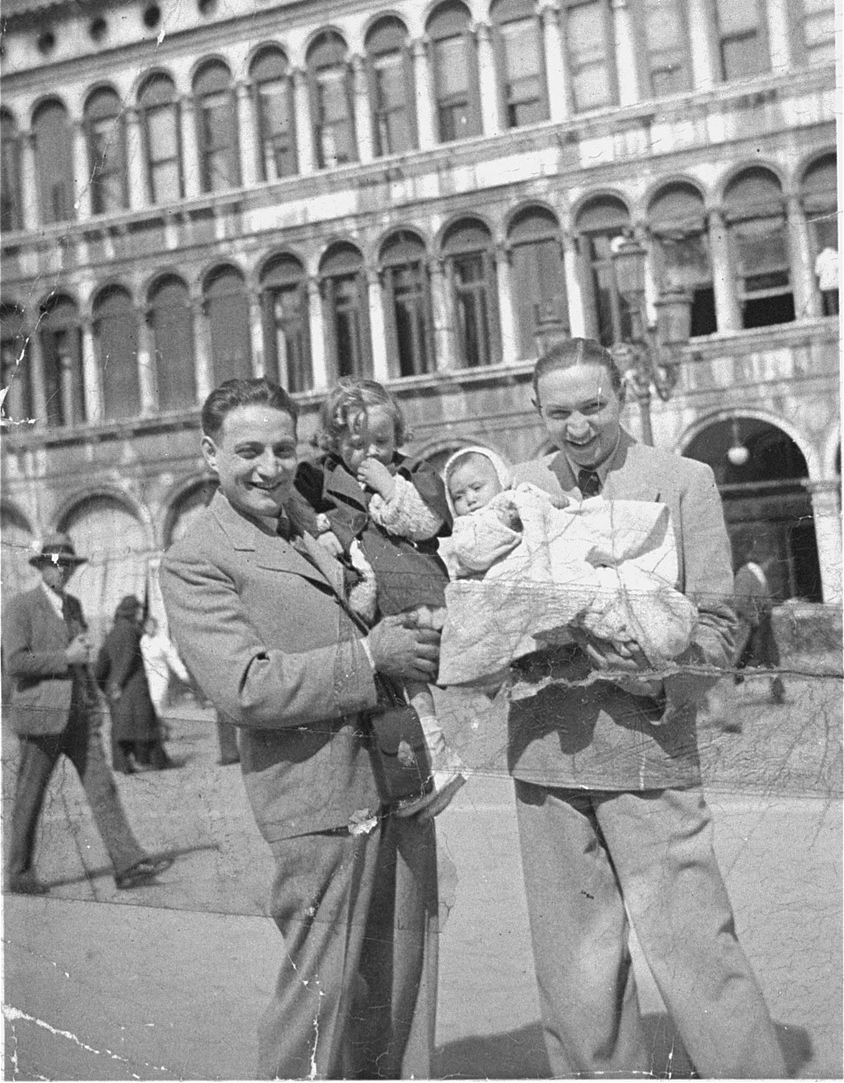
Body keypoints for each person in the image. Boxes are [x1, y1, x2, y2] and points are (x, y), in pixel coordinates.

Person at [504, 338, 786, 1079]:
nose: (578, 427)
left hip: (649, 748)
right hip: (545, 754)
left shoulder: (683, 479)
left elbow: (721, 620)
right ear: (537, 411)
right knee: (575, 969)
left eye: (593, 406)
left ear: (623, 396)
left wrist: (662, 683)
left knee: (697, 950)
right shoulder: (518, 486)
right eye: (558, 412)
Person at [160, 377, 441, 1080]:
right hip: (316, 801)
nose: (270, 466)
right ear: (210, 453)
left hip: (393, 778)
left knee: (400, 988)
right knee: (322, 997)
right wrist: (372, 655)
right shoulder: (198, 558)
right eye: (249, 450)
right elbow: (244, 687)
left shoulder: (308, 526)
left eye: (283, 449)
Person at [294, 376, 464, 816]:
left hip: (408, 586)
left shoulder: (413, 472)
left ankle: (437, 758)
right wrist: (321, 530)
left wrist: (390, 487)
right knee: (387, 689)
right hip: (365, 594)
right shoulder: (315, 477)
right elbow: (292, 505)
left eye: (381, 441)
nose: (369, 452)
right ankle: (417, 778)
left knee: (411, 681)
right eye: (355, 443)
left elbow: (428, 524)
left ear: (398, 437)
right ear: (333, 441)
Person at [437, 446, 697, 689]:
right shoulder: (467, 526)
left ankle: (652, 624)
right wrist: (503, 525)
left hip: (563, 567)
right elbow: (474, 552)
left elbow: (557, 514)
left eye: (477, 487)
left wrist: (555, 505)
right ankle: (624, 634)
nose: (470, 499)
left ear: (500, 479)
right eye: (458, 496)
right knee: (583, 614)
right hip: (518, 584)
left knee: (607, 588)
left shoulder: (523, 493)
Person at [4, 535, 173, 895]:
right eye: (54, 563)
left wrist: (94, 703)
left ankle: (127, 862)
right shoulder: (21, 607)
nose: (61, 570)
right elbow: (15, 663)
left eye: (67, 564)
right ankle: (18, 873)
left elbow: (81, 663)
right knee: (30, 795)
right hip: (41, 718)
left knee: (103, 788)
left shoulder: (75, 606)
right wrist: (66, 657)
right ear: (41, 567)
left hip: (79, 716)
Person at [95, 596, 171, 773]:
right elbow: (128, 659)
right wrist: (118, 684)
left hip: (116, 689)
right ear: (132, 612)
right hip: (132, 686)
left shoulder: (112, 632)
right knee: (146, 725)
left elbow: (101, 664)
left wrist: (104, 686)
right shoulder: (131, 630)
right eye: (138, 610)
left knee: (122, 728)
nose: (140, 613)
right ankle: (155, 761)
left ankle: (122, 764)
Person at [733, 547, 785, 705]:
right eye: (769, 561)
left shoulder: (758, 574)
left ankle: (777, 691)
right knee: (742, 659)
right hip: (751, 625)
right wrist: (754, 618)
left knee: (771, 656)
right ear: (763, 560)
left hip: (763, 623)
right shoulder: (745, 574)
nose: (770, 565)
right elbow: (740, 602)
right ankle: (721, 696)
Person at [140, 615, 190, 717]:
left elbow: (173, 657)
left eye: (152, 626)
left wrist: (182, 673)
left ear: (156, 627)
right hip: (147, 676)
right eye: (147, 626)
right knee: (149, 704)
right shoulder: (143, 641)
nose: (149, 628)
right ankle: (158, 728)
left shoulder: (162, 640)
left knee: (156, 700)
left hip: (160, 675)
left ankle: (158, 727)